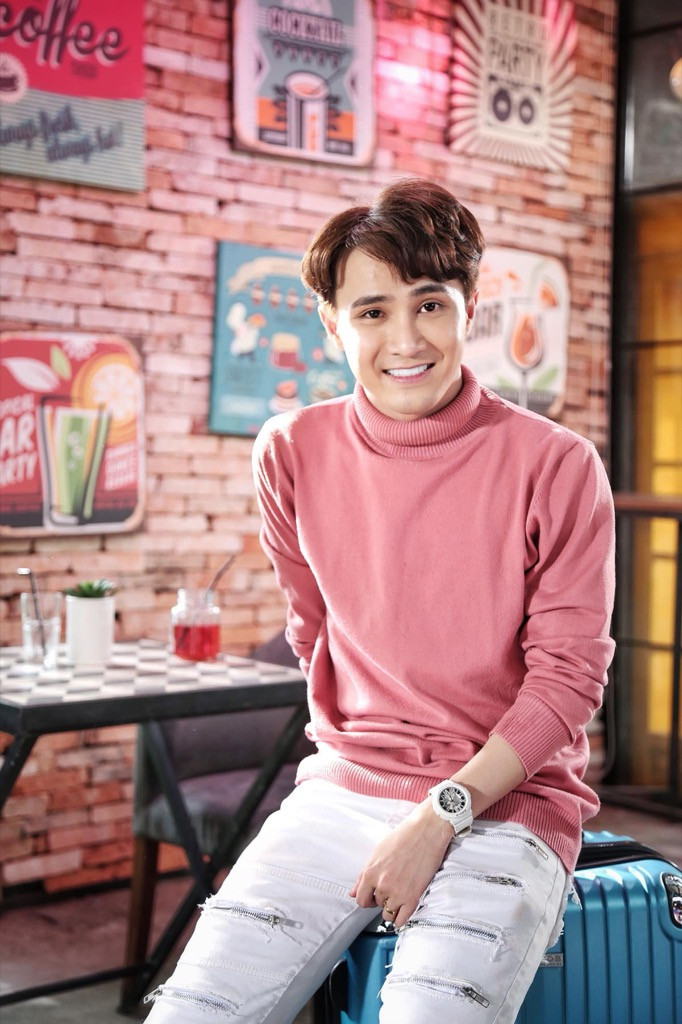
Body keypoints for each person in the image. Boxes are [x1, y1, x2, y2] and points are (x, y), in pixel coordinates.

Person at [145, 178, 616, 1023]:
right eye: (372, 311)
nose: (406, 339)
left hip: (508, 806)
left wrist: (440, 815)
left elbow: (567, 684)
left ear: (470, 307)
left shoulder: (558, 465)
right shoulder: (290, 451)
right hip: (342, 791)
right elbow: (312, 629)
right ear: (332, 324)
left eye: (430, 304)